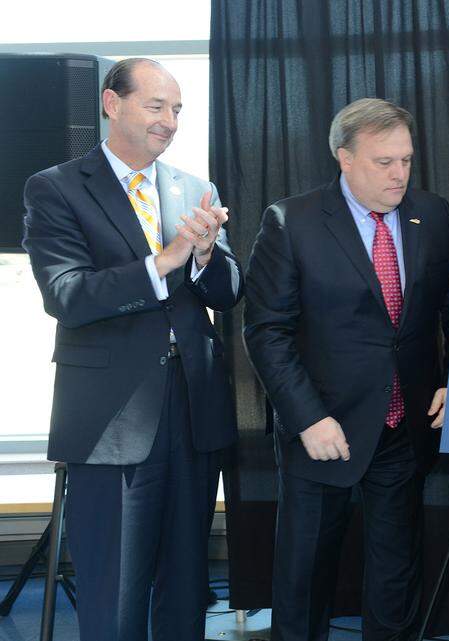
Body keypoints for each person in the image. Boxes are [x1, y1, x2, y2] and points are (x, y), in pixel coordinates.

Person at [22, 57, 241, 640]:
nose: (169, 121)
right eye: (156, 106)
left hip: (194, 410)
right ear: (111, 103)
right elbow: (67, 295)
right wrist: (161, 263)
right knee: (116, 593)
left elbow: (230, 288)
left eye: (177, 110)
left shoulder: (195, 189)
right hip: (112, 416)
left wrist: (202, 257)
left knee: (188, 589)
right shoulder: (56, 188)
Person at [243, 98, 449, 640]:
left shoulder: (431, 214)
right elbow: (266, 331)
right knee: (306, 576)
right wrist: (306, 418)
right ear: (344, 157)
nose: (399, 174)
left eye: (407, 160)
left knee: (396, 574)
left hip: (403, 427)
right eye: (383, 162)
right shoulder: (292, 221)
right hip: (324, 428)